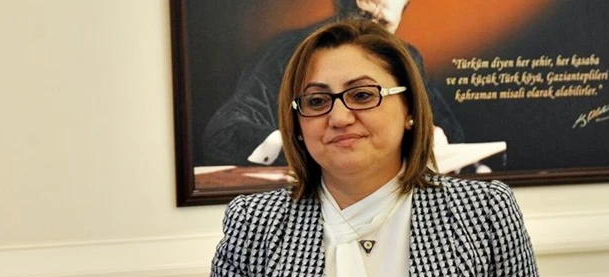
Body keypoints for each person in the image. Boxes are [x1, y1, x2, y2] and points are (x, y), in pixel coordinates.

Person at [189, 18, 560, 277]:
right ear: (297, 124)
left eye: (363, 95)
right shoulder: (255, 223)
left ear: (410, 109)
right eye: (316, 101)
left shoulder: (484, 212)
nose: (339, 117)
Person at [198, 0, 464, 167]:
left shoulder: (405, 56)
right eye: (361, 15)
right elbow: (224, 131)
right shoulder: (291, 53)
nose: (366, 36)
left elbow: (448, 133)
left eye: (382, 25)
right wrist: (305, 150)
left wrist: (427, 135)